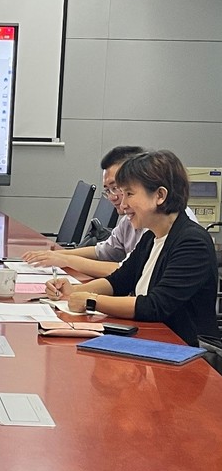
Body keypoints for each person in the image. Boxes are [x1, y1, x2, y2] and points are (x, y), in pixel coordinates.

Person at [46, 150, 219, 346]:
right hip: (152, 341)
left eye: (129, 194)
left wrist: (91, 301)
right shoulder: (151, 236)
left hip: (185, 350)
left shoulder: (192, 242)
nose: (123, 204)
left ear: (160, 195)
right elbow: (119, 280)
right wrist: (73, 291)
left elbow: (154, 306)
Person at [23, 146, 145, 277]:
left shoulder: (152, 228)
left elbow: (126, 270)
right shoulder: (127, 221)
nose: (112, 197)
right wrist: (56, 255)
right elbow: (103, 251)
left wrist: (66, 260)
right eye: (107, 190)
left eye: (116, 188)